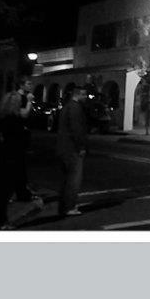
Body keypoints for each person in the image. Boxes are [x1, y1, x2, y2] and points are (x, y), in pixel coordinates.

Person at [0, 76, 36, 229]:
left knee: (6, 186)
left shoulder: (2, 118)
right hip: (12, 155)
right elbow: (23, 118)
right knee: (6, 188)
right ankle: (1, 222)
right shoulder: (14, 120)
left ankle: (2, 218)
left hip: (4, 153)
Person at [56, 83, 88, 217]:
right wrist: (81, 147)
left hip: (63, 148)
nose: (86, 97)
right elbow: (77, 130)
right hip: (72, 149)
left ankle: (63, 206)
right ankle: (69, 206)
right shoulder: (75, 108)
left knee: (66, 179)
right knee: (73, 179)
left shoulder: (67, 107)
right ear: (78, 94)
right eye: (84, 94)